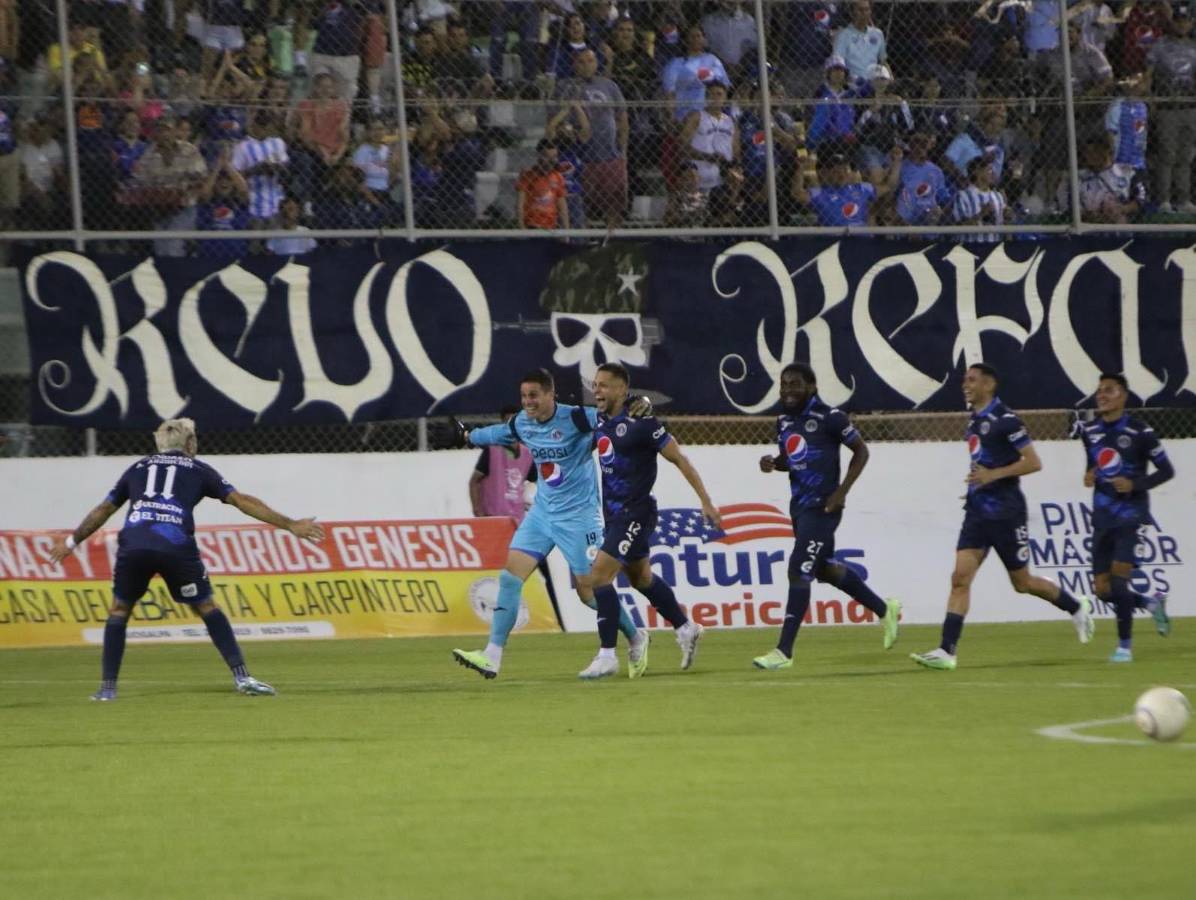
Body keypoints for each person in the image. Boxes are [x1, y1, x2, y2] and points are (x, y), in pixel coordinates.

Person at [47, 418, 325, 701]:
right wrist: (290, 524)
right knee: (205, 606)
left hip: (135, 544)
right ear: (190, 443)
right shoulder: (199, 469)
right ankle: (243, 677)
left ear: (159, 443)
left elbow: (104, 509)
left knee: (119, 610)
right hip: (174, 544)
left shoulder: (137, 468)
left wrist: (71, 542)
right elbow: (242, 501)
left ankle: (107, 690)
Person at [429, 369, 652, 680]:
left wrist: (635, 405)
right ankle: (492, 656)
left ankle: (636, 636)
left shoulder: (575, 418)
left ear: (550, 394)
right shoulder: (523, 422)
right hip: (543, 514)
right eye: (524, 396)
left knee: (590, 592)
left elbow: (611, 417)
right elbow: (498, 433)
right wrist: (467, 435)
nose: (528, 402)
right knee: (509, 578)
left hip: (578, 518)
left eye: (534, 395)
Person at [911, 365, 1095, 672]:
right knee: (959, 579)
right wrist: (974, 488)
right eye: (964, 380)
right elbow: (982, 465)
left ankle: (1076, 606)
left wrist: (993, 476)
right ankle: (947, 651)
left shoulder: (1006, 420)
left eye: (972, 380)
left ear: (989, 384)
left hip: (1007, 514)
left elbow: (1034, 463)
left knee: (1022, 583)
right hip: (977, 513)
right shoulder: (974, 421)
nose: (965, 385)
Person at [752, 363, 901, 670]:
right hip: (800, 507)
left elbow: (861, 452)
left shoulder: (830, 417)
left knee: (798, 571)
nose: (788, 391)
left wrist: (841, 492)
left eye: (795, 384)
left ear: (812, 387)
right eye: (784, 385)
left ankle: (783, 652)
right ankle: (884, 609)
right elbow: (793, 459)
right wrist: (774, 463)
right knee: (825, 571)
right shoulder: (783, 421)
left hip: (824, 508)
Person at [580, 364, 717, 680]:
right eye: (595, 385)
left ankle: (606, 656)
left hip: (635, 513)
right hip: (614, 515)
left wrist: (706, 501)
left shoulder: (644, 424)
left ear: (621, 389)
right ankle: (686, 627)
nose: (597, 391)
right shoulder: (598, 421)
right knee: (641, 578)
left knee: (599, 577)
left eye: (604, 386)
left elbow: (679, 459)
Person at [1079, 373, 1174, 662]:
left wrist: (1135, 485)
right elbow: (1092, 468)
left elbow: (1166, 471)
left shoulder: (1140, 432)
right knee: (1102, 590)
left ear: (1123, 395)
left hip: (1131, 517)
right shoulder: (1090, 431)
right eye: (1099, 391)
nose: (1102, 395)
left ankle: (1124, 647)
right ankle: (1149, 602)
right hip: (1102, 517)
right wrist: (1089, 475)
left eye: (1109, 390)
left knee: (1119, 583)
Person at [792, 148, 900, 226]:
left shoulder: (862, 188)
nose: (841, 174)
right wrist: (800, 169)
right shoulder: (820, 193)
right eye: (835, 170)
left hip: (862, 240)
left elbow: (889, 186)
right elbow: (797, 194)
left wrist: (896, 162)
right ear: (824, 173)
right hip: (833, 241)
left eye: (844, 169)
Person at [516, 139, 569, 230]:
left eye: (554, 157)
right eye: (547, 157)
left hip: (551, 226)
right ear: (539, 156)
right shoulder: (528, 176)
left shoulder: (557, 177)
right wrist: (522, 227)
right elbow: (520, 204)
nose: (551, 161)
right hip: (532, 225)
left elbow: (562, 207)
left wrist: (566, 231)